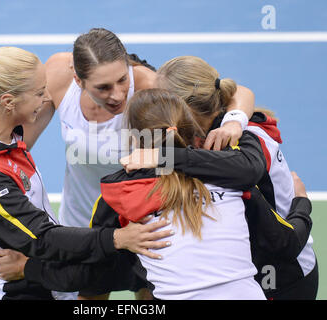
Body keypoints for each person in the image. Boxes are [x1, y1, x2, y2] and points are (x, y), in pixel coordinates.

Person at [17, 28, 256, 299]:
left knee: (149, 297)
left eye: (122, 80)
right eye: (103, 88)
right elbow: (21, 144)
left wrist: (234, 120)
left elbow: (234, 92)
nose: (118, 95)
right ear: (78, 80)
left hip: (150, 225)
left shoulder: (153, 88)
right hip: (86, 225)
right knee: (89, 299)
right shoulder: (58, 75)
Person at [0, 46, 173, 300]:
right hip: (24, 287)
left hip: (45, 273)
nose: (49, 97)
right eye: (39, 93)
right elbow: (43, 238)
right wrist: (117, 240)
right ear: (8, 102)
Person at [121, 55, 318, 299]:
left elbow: (279, 238)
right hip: (248, 269)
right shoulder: (214, 134)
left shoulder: (243, 142)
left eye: (166, 102)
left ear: (186, 110)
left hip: (283, 273)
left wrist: (164, 156)